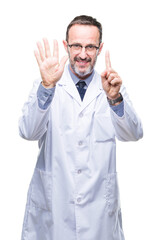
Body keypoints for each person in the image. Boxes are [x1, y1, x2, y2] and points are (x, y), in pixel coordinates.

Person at [19, 15, 143, 240]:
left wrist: (114, 99)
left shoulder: (111, 87)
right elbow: (28, 131)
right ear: (66, 46)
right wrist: (47, 86)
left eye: (90, 47)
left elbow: (133, 134)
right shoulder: (46, 85)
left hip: (99, 214)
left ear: (100, 48)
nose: (83, 54)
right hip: (54, 209)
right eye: (76, 45)